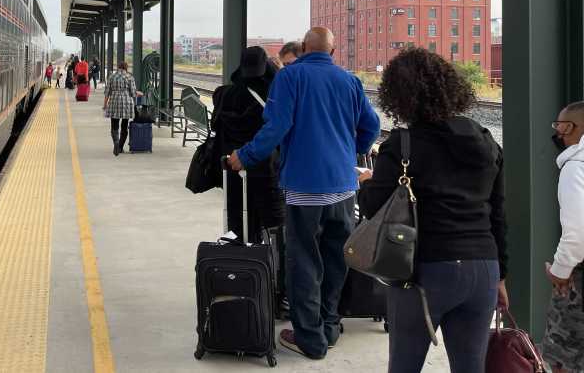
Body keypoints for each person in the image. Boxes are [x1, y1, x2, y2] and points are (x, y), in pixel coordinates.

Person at [228, 27, 380, 360]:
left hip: (305, 190)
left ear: (304, 47)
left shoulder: (290, 77)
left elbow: (276, 127)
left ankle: (310, 340)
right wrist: (347, 150)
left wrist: (245, 156)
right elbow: (371, 125)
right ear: (333, 49)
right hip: (343, 189)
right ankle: (329, 326)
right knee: (336, 261)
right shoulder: (349, 81)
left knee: (304, 264)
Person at [358, 47, 508, 373]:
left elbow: (373, 208)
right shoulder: (484, 140)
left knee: (405, 365)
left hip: (425, 271)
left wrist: (368, 182)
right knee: (471, 367)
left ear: (399, 95)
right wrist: (501, 275)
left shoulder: (402, 143)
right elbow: (498, 212)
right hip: (482, 267)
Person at [212, 47, 286, 310]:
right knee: (277, 231)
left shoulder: (225, 95)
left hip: (234, 175)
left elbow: (216, 130)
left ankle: (241, 285)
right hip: (267, 174)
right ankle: (278, 292)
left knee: (239, 228)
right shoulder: (273, 97)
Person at [542, 102, 584, 373]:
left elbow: (578, 229)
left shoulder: (575, 167)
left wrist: (560, 270)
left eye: (559, 126)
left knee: (565, 360)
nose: (557, 133)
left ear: (572, 128)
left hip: (579, 281)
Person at [103, 61, 137, 155]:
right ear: (126, 68)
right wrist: (138, 93)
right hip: (127, 102)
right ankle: (120, 147)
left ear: (118, 67)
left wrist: (105, 105)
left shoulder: (112, 77)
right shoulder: (130, 77)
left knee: (114, 125)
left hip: (114, 101)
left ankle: (116, 143)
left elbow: (107, 92)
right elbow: (133, 93)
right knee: (124, 126)